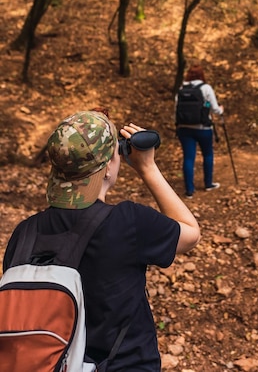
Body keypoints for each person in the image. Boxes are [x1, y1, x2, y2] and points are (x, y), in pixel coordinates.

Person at [2, 109, 200, 372]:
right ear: (108, 167)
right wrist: (147, 167)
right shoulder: (128, 222)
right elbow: (190, 233)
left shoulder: (24, 234)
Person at [175, 64, 224, 198]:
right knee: (208, 154)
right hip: (203, 128)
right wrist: (221, 110)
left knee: (188, 158)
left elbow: (176, 109)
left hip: (184, 129)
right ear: (202, 75)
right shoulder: (206, 88)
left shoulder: (181, 89)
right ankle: (208, 184)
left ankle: (189, 191)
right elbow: (215, 109)